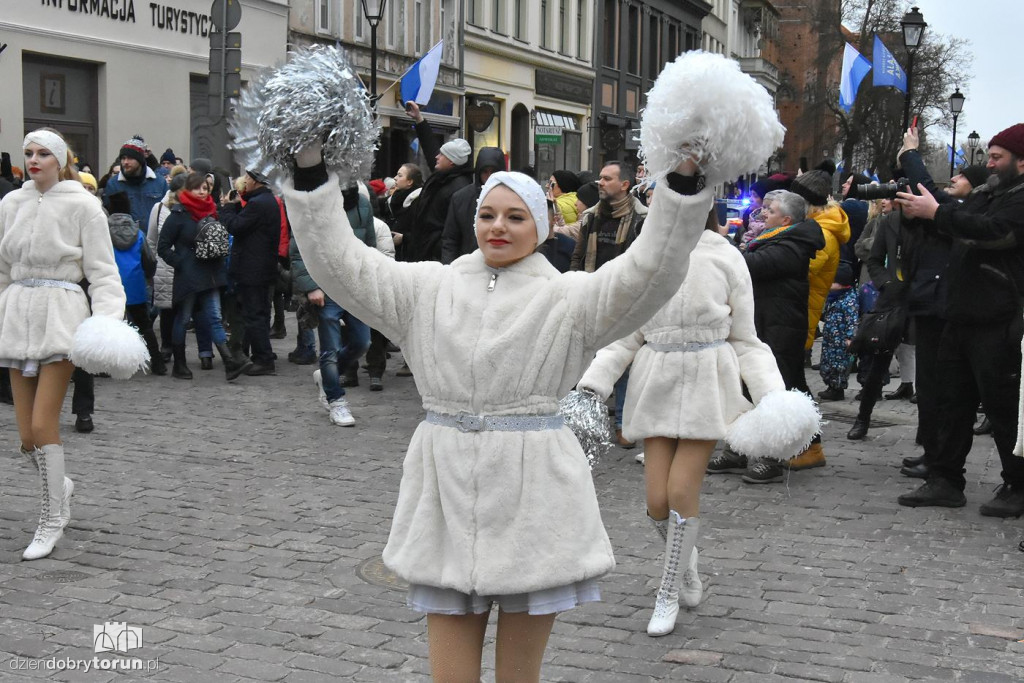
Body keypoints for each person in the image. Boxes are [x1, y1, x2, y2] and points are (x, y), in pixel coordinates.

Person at [285, 131, 711, 680]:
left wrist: (681, 184)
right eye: (488, 214)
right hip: (445, 486)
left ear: (543, 225)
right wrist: (310, 172)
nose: (497, 227)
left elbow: (649, 273)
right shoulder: (427, 289)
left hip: (533, 489)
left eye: (515, 217)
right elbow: (341, 265)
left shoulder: (569, 298)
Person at [578, 206, 818, 635]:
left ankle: (667, 590)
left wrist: (772, 398)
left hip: (709, 385)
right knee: (656, 501)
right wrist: (593, 383)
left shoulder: (726, 257)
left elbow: (746, 338)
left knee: (681, 489)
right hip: (655, 386)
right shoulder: (646, 257)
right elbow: (627, 333)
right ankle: (686, 566)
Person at [1, 129, 140, 560]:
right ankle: (59, 484)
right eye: (29, 153)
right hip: (17, 315)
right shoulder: (10, 203)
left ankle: (52, 517)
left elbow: (103, 272)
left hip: (62, 314)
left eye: (44, 153)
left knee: (44, 426)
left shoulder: (84, 206)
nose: (35, 159)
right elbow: (3, 268)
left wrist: (106, 323)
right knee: (26, 437)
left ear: (61, 160)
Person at [895, 123, 1024, 516]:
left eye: (998, 157)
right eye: (990, 154)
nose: (990, 163)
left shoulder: (1017, 202)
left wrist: (936, 214)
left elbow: (993, 233)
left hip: (998, 319)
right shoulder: (989, 194)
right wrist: (926, 203)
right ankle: (945, 480)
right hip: (961, 315)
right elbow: (951, 213)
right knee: (952, 403)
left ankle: (1018, 485)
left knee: (1003, 409)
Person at [709, 190, 825, 481]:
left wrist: (717, 244)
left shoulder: (792, 245)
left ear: (785, 219)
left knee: (774, 390)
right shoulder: (771, 238)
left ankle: (772, 457)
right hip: (761, 324)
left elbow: (751, 266)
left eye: (769, 211)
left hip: (781, 327)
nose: (762, 214)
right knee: (745, 387)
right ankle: (739, 449)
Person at [291, 183, 376, 425]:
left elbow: (370, 245)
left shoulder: (362, 204)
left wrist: (371, 278)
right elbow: (299, 250)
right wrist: (311, 286)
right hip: (325, 285)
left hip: (354, 286)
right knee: (329, 348)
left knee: (362, 342)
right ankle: (336, 400)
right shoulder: (314, 205)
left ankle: (327, 377)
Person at [157, 173, 249, 380]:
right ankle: (179, 364)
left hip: (211, 274)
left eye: (205, 188)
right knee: (182, 319)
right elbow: (163, 247)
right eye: (197, 188)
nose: (202, 191)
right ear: (187, 190)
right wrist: (181, 262)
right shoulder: (178, 215)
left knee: (215, 318)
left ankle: (229, 363)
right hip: (189, 277)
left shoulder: (212, 212)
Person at [218, 169, 282, 376]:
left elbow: (236, 226)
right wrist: (238, 203)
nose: (243, 182)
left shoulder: (259, 204)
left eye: (247, 178)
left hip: (253, 268)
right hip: (261, 266)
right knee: (260, 313)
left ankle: (263, 359)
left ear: (255, 182)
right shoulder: (265, 200)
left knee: (254, 314)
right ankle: (262, 355)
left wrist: (227, 208)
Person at [403, 102, 474, 262]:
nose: (437, 156)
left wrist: (437, 252)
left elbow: (455, 231)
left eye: (442, 155)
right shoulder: (443, 176)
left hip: (435, 258)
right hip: (425, 251)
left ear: (452, 161)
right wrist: (419, 119)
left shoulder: (459, 187)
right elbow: (430, 148)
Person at [441, 147, 507, 264]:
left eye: (493, 172)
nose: (489, 176)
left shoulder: (513, 198)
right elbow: (450, 239)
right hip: (468, 266)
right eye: (485, 171)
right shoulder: (461, 198)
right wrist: (450, 269)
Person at [148, 173, 188, 365]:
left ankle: (183, 350)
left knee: (184, 310)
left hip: (187, 265)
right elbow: (151, 239)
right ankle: (166, 346)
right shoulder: (159, 209)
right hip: (164, 265)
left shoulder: (193, 208)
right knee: (166, 309)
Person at [102, 135, 167, 226]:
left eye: (130, 158)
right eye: (123, 158)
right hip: (124, 238)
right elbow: (108, 216)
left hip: (153, 238)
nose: (125, 162)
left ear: (140, 160)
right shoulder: (114, 184)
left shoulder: (159, 182)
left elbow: (166, 213)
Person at [816, 263, 858, 400]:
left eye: (833, 282)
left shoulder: (849, 300)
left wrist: (850, 337)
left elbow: (852, 321)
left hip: (841, 341)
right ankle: (830, 386)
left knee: (839, 365)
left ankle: (837, 389)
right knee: (827, 362)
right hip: (830, 338)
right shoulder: (834, 297)